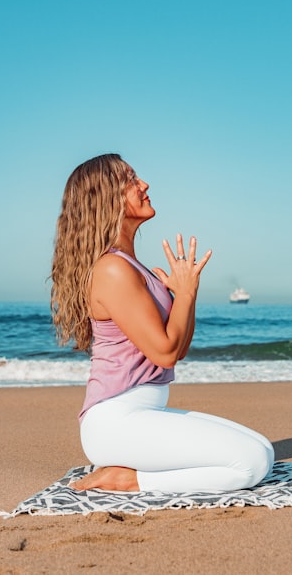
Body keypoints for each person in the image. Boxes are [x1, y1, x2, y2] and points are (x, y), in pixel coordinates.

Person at [49, 153, 274, 493]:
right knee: (252, 463)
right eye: (131, 180)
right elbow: (165, 353)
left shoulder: (133, 267)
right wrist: (182, 294)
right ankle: (127, 479)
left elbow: (178, 347)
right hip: (115, 422)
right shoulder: (113, 270)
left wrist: (187, 294)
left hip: (142, 413)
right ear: (108, 198)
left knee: (264, 450)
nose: (145, 185)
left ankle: (128, 470)